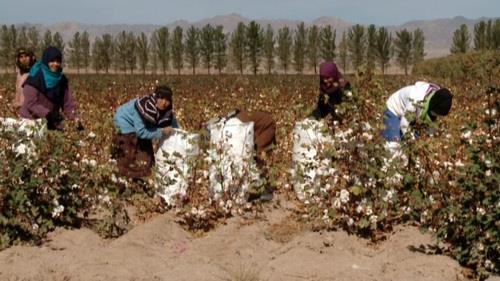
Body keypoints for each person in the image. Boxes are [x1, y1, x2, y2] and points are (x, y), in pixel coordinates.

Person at [112, 85, 179, 179]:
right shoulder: (143, 107)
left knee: (148, 159)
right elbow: (141, 132)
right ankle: (128, 180)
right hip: (125, 124)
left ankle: (145, 179)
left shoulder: (167, 111)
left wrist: (180, 136)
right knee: (129, 156)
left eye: (167, 100)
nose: (164, 103)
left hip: (143, 127)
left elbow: (173, 125)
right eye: (161, 98)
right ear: (156, 97)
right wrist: (161, 131)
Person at [20, 46, 77, 130]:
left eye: (58, 61)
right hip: (31, 120)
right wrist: (47, 114)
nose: (56, 64)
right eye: (52, 61)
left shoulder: (61, 79)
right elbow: (31, 103)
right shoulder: (36, 76)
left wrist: (74, 118)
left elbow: (67, 102)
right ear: (46, 61)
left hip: (50, 120)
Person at [381, 81, 453, 144]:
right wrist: (413, 142)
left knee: (417, 138)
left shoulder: (435, 100)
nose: (437, 116)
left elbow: (431, 129)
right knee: (393, 144)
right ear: (433, 106)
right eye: (436, 113)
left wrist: (428, 140)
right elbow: (404, 124)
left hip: (412, 116)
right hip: (394, 109)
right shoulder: (416, 99)